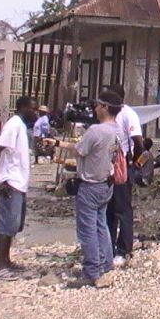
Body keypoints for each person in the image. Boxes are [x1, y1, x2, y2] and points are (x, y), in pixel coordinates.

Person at [60, 90, 125, 289]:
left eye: (97, 105)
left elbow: (80, 150)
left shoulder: (96, 131)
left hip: (90, 185)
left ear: (105, 107)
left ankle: (92, 272)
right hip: (107, 184)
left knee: (87, 230)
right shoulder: (119, 130)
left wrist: (59, 144)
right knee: (101, 225)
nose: (94, 109)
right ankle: (105, 265)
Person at [0, 96, 38, 280]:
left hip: (20, 183)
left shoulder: (22, 126)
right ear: (22, 107)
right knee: (7, 225)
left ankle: (7, 260)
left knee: (14, 225)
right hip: (11, 182)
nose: (35, 113)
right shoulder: (14, 125)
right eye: (32, 109)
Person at [106, 83, 143, 266]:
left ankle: (124, 249)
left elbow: (138, 141)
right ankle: (108, 247)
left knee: (123, 209)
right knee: (109, 209)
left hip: (124, 166)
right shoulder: (107, 116)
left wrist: (134, 164)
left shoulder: (128, 114)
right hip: (108, 168)